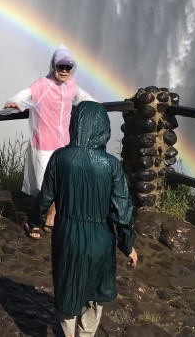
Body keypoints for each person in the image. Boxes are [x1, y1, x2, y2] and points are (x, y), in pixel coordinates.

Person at [27, 101, 138, 337]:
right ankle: (86, 334)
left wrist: (33, 221)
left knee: (67, 290)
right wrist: (128, 245)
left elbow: (45, 197)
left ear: (75, 125)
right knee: (95, 294)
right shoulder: (112, 165)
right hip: (101, 238)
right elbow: (122, 210)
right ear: (104, 128)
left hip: (67, 236)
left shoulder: (60, 158)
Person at [4, 44, 95, 238]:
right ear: (53, 66)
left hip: (64, 143)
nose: (64, 71)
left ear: (72, 68)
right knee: (43, 184)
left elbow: (84, 97)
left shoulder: (71, 85)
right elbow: (24, 95)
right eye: (60, 67)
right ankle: (33, 218)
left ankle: (50, 217)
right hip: (43, 143)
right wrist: (15, 103)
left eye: (68, 67)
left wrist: (97, 105)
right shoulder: (42, 85)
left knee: (61, 182)